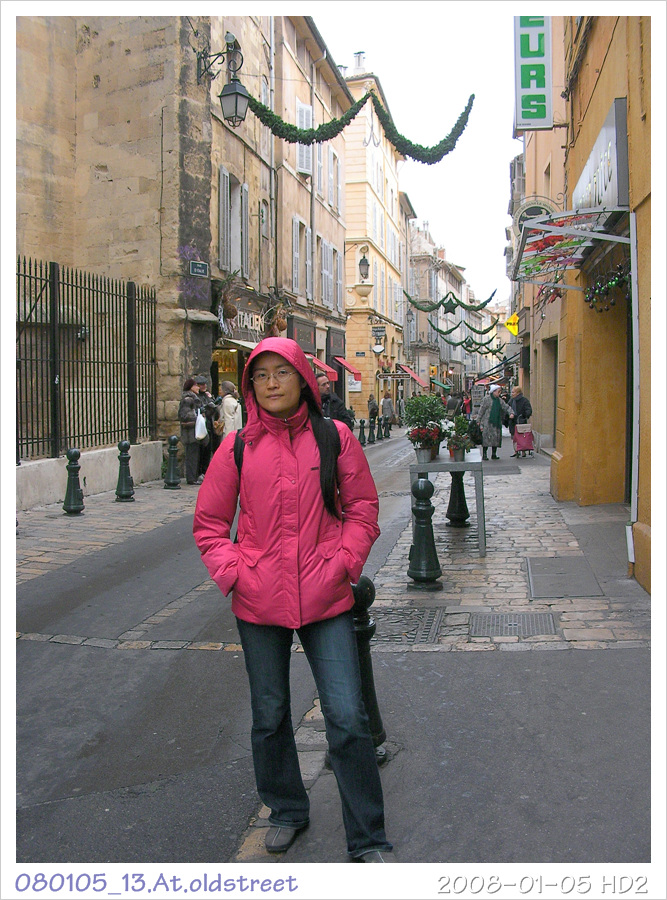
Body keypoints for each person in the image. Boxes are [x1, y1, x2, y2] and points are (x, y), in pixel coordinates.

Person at [193, 337, 394, 863]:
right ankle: (286, 808)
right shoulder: (237, 447)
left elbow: (362, 508)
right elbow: (210, 524)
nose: (272, 383)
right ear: (250, 386)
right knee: (269, 714)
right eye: (261, 375)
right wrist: (236, 573)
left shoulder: (335, 437)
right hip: (259, 599)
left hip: (326, 596)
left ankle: (368, 838)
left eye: (282, 372)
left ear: (302, 378)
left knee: (346, 716)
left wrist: (343, 564)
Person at [178, 377, 207, 485]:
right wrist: (197, 414)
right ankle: (191, 478)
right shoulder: (188, 399)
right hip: (190, 432)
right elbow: (184, 415)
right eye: (196, 385)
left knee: (196, 455)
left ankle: (194, 476)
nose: (198, 387)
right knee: (191, 455)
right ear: (191, 387)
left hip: (195, 431)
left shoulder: (195, 398)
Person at [475, 384, 514, 460]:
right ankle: (484, 454)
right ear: (493, 391)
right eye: (498, 392)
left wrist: (511, 413)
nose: (499, 393)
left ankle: (494, 454)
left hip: (497, 422)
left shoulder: (499, 400)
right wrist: (478, 420)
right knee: (486, 439)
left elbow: (506, 407)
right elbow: (482, 410)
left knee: (496, 438)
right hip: (487, 422)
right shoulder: (486, 399)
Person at [194, 375, 217, 474]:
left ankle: (205, 471)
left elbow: (212, 411)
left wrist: (211, 400)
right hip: (201, 426)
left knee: (208, 450)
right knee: (201, 451)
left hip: (208, 425)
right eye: (202, 384)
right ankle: (199, 472)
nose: (204, 386)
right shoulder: (195, 397)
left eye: (205, 384)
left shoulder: (206, 396)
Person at [509, 386, 533, 458]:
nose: (512, 394)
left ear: (518, 393)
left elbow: (528, 410)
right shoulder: (511, 401)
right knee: (514, 437)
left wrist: (524, 416)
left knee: (522, 436)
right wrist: (508, 416)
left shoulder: (524, 400)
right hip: (513, 421)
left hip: (521, 421)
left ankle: (523, 451)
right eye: (512, 392)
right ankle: (516, 450)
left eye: (513, 392)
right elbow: (508, 409)